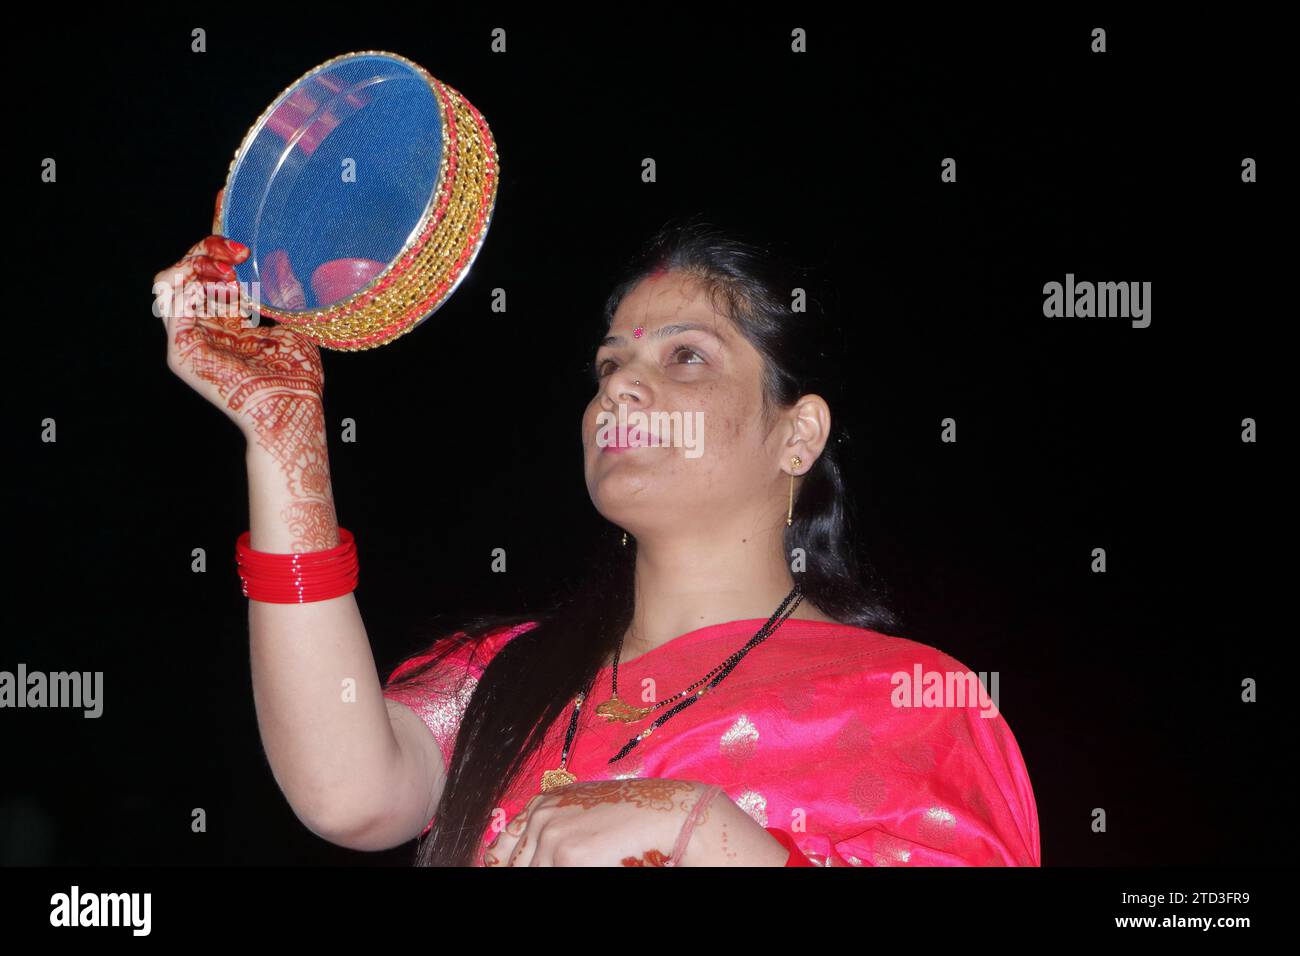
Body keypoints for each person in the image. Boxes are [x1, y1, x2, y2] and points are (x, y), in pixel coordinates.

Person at [155, 197, 1040, 867]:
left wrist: (704, 833)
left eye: (684, 357)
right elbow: (347, 793)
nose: (618, 388)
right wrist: (282, 438)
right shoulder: (504, 677)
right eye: (610, 365)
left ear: (797, 433)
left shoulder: (913, 702)